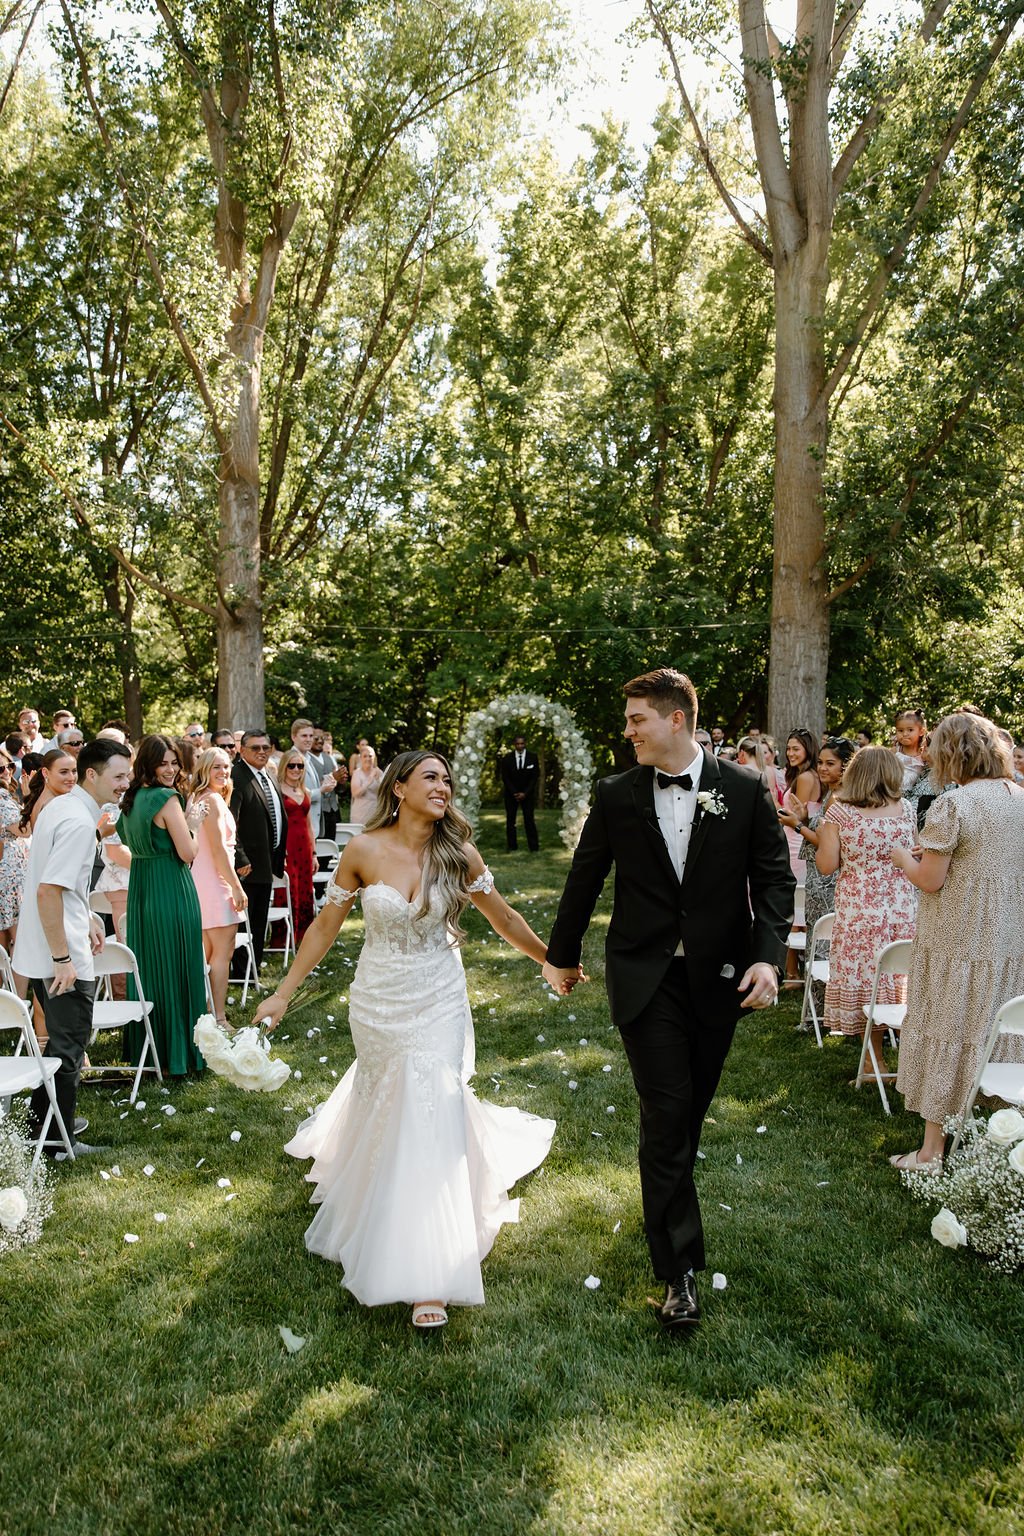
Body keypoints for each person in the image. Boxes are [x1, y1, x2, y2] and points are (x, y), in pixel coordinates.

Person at [253, 750, 555, 1330]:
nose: (443, 787)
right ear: (400, 789)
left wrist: (551, 960)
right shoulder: (363, 851)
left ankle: (428, 1273)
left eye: (447, 779)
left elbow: (504, 918)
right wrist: (283, 993)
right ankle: (377, 1199)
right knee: (393, 1103)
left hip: (439, 994)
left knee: (431, 1101)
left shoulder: (458, 853)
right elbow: (324, 926)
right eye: (431, 778)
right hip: (380, 999)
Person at [543, 668, 794, 1330]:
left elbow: (773, 879)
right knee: (666, 1113)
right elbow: (586, 876)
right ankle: (678, 1273)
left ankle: (667, 1215)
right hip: (644, 976)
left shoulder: (742, 791)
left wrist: (767, 958)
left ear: (674, 719)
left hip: (719, 978)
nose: (628, 733)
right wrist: (560, 957)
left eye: (636, 721)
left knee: (685, 1119)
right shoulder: (617, 793)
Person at [889, 714, 1024, 1169]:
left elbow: (929, 880)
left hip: (958, 936)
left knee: (950, 1026)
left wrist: (902, 857)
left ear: (951, 753)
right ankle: (1000, 1141)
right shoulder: (1020, 798)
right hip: (1008, 938)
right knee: (995, 1027)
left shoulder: (955, 805)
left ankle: (931, 1151)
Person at [12, 737, 133, 1156]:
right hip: (59, 955)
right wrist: (64, 956)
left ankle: (44, 1126)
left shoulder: (64, 807)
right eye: (118, 776)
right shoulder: (79, 822)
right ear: (92, 774)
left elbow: (64, 888)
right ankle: (57, 1142)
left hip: (54, 941)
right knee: (68, 1046)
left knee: (61, 1046)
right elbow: (48, 891)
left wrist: (87, 923)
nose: (125, 783)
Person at [815, 747, 917, 1061]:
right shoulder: (907, 809)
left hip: (860, 909)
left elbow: (826, 865)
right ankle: (909, 1058)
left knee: (865, 976)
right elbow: (915, 851)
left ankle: (874, 1061)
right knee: (900, 973)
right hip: (901, 905)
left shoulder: (840, 812)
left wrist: (822, 835)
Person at [118, 736, 207, 1075]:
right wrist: (193, 826)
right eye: (163, 763)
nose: (170, 769)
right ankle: (180, 1054)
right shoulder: (167, 799)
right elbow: (188, 853)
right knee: (179, 963)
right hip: (171, 886)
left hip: (141, 888)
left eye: (174, 762)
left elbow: (126, 841)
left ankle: (149, 1048)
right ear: (149, 765)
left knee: (152, 966)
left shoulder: (131, 799)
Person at [781, 736, 858, 1023]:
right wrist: (803, 815)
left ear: (846, 766)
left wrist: (797, 825)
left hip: (826, 878)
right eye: (821, 763)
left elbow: (824, 844)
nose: (823, 769)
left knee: (823, 943)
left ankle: (825, 1011)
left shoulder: (838, 798)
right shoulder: (832, 793)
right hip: (819, 876)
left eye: (831, 764)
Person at [188, 748, 247, 1024]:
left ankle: (206, 1012)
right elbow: (220, 851)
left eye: (226, 767)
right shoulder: (210, 800)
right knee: (222, 954)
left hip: (201, 882)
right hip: (216, 883)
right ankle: (219, 1018)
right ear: (204, 770)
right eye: (216, 768)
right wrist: (235, 886)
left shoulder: (198, 797)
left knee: (209, 955)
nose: (223, 772)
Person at [229, 731, 286, 974]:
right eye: (255, 748)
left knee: (260, 918)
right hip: (246, 865)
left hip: (266, 861)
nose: (262, 752)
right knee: (247, 920)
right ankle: (243, 972)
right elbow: (231, 822)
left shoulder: (268, 774)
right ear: (242, 751)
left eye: (265, 747)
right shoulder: (236, 777)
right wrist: (240, 857)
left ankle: (254, 969)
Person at [276, 747, 316, 944]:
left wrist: (315, 853)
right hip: (287, 847)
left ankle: (304, 934)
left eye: (300, 766)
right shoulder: (277, 790)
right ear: (284, 766)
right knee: (288, 889)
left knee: (305, 888)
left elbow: (309, 825)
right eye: (291, 765)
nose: (296, 769)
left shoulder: (305, 791)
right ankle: (283, 937)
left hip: (305, 848)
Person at [0, 750, 28, 951]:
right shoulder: (2, 799)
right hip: (9, 875)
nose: (7, 772)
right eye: (1, 769)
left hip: (10, 872)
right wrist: (31, 798)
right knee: (20, 943)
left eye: (9, 766)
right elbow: (24, 830)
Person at [19, 749, 77, 833]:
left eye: (74, 771)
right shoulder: (53, 804)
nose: (71, 778)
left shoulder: (43, 800)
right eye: (63, 772)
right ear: (45, 773)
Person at [499, 735, 540, 852]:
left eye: (522, 743)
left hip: (528, 795)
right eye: (518, 744)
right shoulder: (507, 758)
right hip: (511, 795)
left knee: (529, 820)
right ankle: (512, 846)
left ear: (525, 743)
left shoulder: (533, 757)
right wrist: (515, 793)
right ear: (514, 745)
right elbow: (505, 778)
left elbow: (535, 777)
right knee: (510, 821)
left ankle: (534, 847)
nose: (520, 746)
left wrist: (525, 793)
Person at [349, 743, 384, 826]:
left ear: (374, 758)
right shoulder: (357, 773)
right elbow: (355, 793)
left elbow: (384, 793)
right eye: (365, 756)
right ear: (361, 758)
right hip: (360, 814)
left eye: (370, 756)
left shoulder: (379, 772)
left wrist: (379, 780)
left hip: (375, 813)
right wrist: (369, 780)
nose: (368, 758)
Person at [893, 707, 928, 791]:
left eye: (910, 730)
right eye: (900, 730)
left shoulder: (924, 754)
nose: (905, 734)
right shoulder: (894, 752)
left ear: (921, 732)